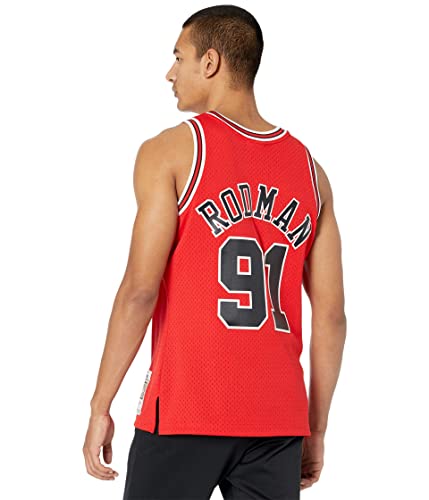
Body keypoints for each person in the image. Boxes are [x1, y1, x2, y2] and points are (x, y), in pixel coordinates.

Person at [82, 4, 347, 499]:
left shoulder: (169, 151)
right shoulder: (312, 173)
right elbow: (331, 316)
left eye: (178, 57)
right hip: (277, 421)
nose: (170, 73)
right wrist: (315, 427)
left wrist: (101, 405)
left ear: (210, 62)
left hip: (186, 408)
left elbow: (139, 291)